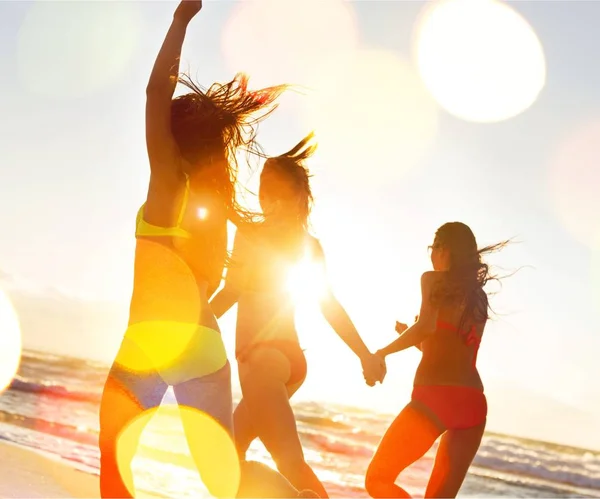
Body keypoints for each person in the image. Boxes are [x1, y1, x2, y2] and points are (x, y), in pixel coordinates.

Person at [98, 1, 292, 497]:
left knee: (114, 458)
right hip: (200, 346)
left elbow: (153, 92)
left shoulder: (170, 181)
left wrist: (181, 18)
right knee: (222, 478)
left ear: (176, 135)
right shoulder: (213, 207)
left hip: (148, 341)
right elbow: (214, 287)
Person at [210, 133, 386, 498]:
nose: (263, 196)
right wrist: (364, 354)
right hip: (289, 364)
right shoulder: (308, 244)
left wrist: (191, 324)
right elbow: (328, 304)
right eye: (261, 186)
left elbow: (231, 292)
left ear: (291, 196)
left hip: (262, 360)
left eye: (270, 188)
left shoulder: (251, 234)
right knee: (226, 453)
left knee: (289, 463)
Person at [365, 222, 508, 498]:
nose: (431, 254)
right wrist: (412, 335)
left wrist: (382, 353)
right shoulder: (479, 299)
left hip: (434, 399)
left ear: (444, 249)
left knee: (377, 480)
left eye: (434, 247)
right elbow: (450, 350)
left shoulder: (432, 280)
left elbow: (427, 328)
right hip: (472, 406)